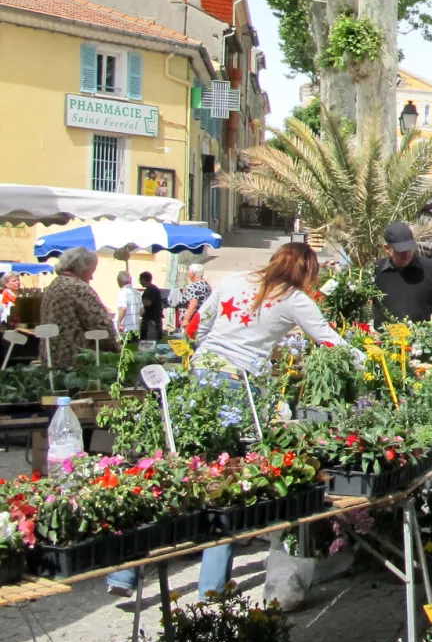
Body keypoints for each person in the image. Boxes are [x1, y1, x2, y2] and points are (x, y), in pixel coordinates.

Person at [110, 242, 350, 598]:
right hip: (239, 387)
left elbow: (199, 327)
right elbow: (330, 341)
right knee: (227, 479)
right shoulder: (294, 299)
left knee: (175, 468)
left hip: (200, 377)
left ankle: (124, 574)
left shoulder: (233, 281)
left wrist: (209, 357)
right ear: (307, 271)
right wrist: (370, 358)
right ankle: (212, 586)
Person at [41, 247, 116, 366]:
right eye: (91, 271)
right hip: (77, 362)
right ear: (82, 268)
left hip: (52, 360)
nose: (91, 277)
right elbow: (101, 325)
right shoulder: (78, 288)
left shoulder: (53, 286)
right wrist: (116, 348)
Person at [372, 222, 432, 324]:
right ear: (387, 249)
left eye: (409, 249)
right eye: (400, 251)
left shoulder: (431, 269)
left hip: (424, 333)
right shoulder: (378, 271)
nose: (406, 255)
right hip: (389, 333)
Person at [179, 264, 213, 340]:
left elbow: (193, 305)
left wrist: (186, 320)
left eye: (189, 271)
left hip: (192, 321)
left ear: (193, 273)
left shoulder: (195, 286)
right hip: (202, 320)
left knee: (188, 341)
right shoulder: (206, 285)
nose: (188, 273)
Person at [138, 271, 165, 341]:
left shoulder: (152, 289)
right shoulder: (150, 289)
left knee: (150, 341)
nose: (140, 282)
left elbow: (148, 303)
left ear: (144, 280)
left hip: (152, 321)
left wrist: (138, 301)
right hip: (150, 320)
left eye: (140, 280)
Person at [114, 269, 140, 336]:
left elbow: (123, 308)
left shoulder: (123, 292)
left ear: (119, 281)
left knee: (124, 343)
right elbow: (142, 310)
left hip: (125, 329)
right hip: (135, 329)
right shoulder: (137, 293)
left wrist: (119, 323)